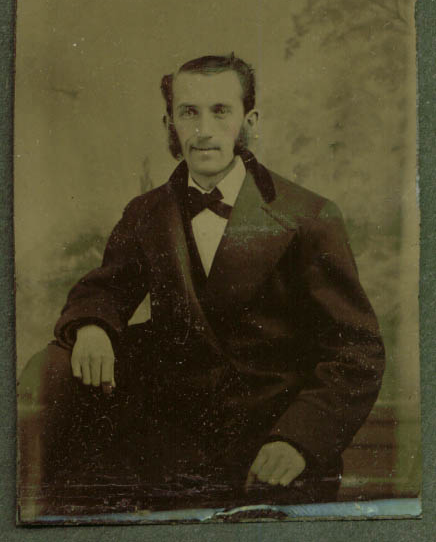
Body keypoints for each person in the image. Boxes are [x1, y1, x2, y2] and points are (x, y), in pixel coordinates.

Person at [18, 53, 385, 513]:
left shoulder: (309, 217)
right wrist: (93, 326)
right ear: (170, 123)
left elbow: (357, 351)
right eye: (188, 112)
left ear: (248, 120)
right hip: (172, 458)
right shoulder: (147, 213)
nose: (203, 129)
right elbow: (105, 288)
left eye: (220, 111)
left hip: (272, 457)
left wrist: (298, 441)